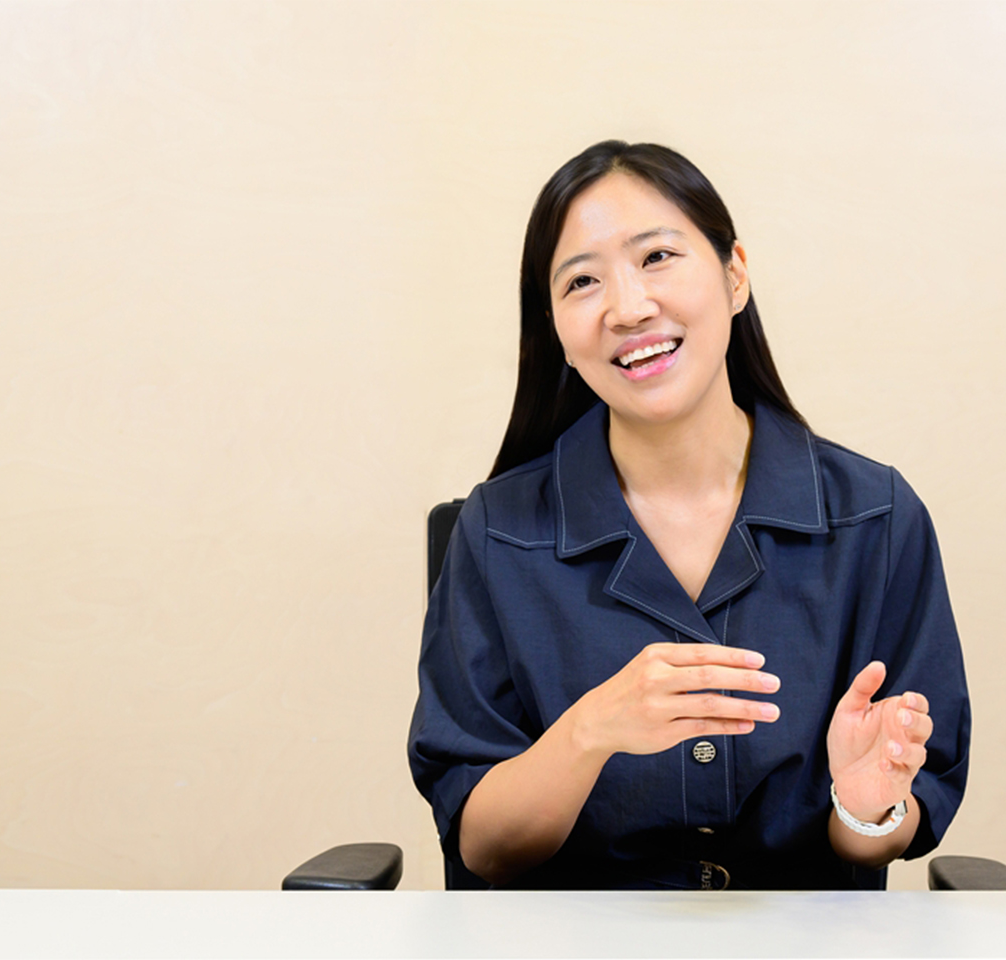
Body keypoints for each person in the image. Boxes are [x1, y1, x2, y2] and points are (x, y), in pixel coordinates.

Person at [408, 140, 969, 890]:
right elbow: (482, 845)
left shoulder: (876, 518)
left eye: (658, 257)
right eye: (582, 281)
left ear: (735, 274)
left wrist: (867, 809)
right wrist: (590, 732)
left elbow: (890, 828)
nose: (629, 307)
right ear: (554, 328)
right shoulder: (496, 532)